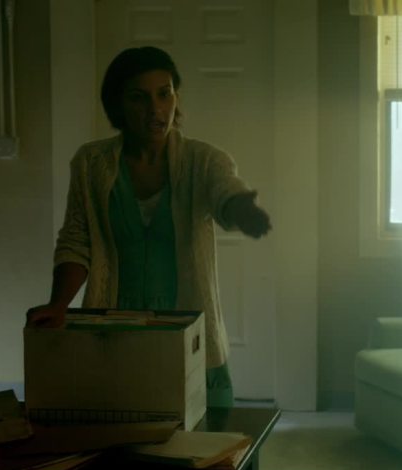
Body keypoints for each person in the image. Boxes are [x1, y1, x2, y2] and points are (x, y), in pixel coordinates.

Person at [25, 46, 271, 407]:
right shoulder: (91, 164)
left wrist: (241, 208)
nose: (155, 109)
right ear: (117, 105)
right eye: (139, 98)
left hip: (187, 330)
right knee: (120, 425)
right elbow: (77, 240)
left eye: (164, 93)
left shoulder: (203, 160)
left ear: (176, 97)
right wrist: (59, 303)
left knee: (202, 431)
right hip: (114, 330)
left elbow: (224, 190)